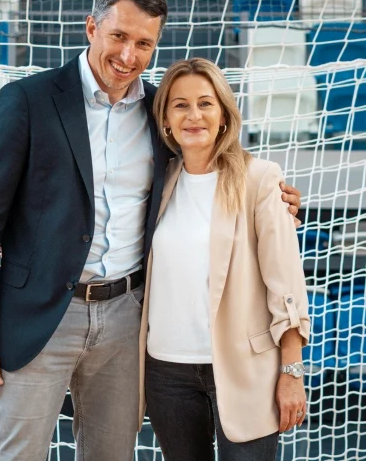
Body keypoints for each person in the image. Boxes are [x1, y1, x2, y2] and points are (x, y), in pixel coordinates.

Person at [0, 0, 303, 460]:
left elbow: (212, 170)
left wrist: (278, 201)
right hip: (39, 315)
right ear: (91, 27)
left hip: (126, 319)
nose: (128, 54)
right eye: (118, 36)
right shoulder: (27, 101)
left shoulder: (161, 111)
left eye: (144, 43)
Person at [137, 58, 310, 461]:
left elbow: (285, 284)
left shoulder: (260, 178)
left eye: (205, 103)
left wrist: (291, 372)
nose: (193, 115)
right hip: (167, 371)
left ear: (224, 116)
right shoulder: (157, 181)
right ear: (165, 120)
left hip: (244, 368)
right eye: (180, 105)